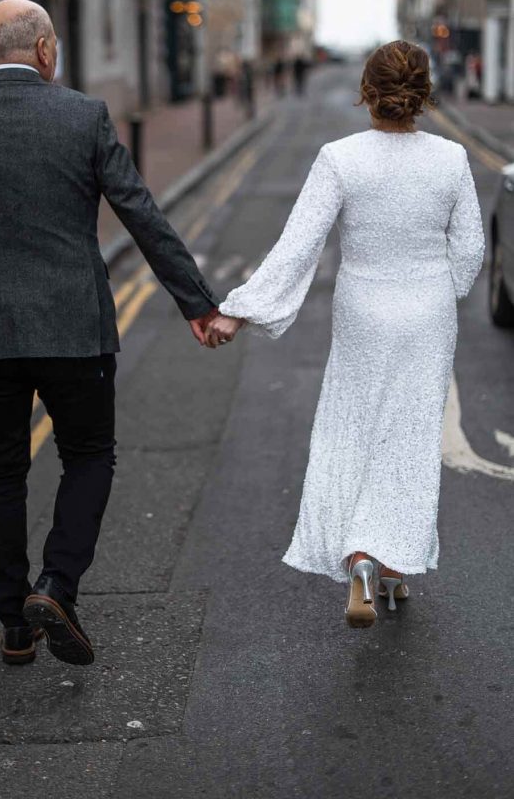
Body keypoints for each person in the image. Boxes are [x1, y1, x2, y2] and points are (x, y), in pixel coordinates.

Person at [0, 0, 218, 666]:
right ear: (45, 49)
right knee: (88, 455)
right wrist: (196, 302)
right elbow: (141, 215)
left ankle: (15, 626)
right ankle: (57, 585)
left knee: (3, 469)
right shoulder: (82, 116)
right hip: (74, 324)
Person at [205, 41, 484, 629]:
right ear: (423, 94)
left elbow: (299, 243)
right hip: (427, 312)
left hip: (363, 309)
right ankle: (391, 562)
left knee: (353, 426)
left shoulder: (340, 158)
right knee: (409, 435)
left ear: (368, 91)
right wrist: (442, 292)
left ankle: (361, 556)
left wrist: (239, 310)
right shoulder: (452, 160)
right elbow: (470, 250)